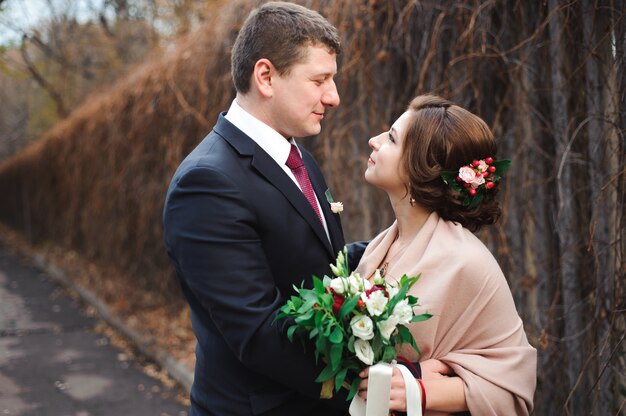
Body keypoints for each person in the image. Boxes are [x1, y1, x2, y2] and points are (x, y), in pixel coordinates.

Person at [163, 3, 358, 415]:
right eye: (320, 80)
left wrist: (406, 242)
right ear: (266, 77)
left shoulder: (298, 157)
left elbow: (323, 265)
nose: (334, 97)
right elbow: (259, 334)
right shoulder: (206, 183)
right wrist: (372, 377)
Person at [354, 95, 537, 415]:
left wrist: (420, 390)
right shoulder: (381, 245)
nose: (374, 141)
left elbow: (513, 386)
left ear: (419, 169)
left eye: (392, 138)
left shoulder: (464, 261)